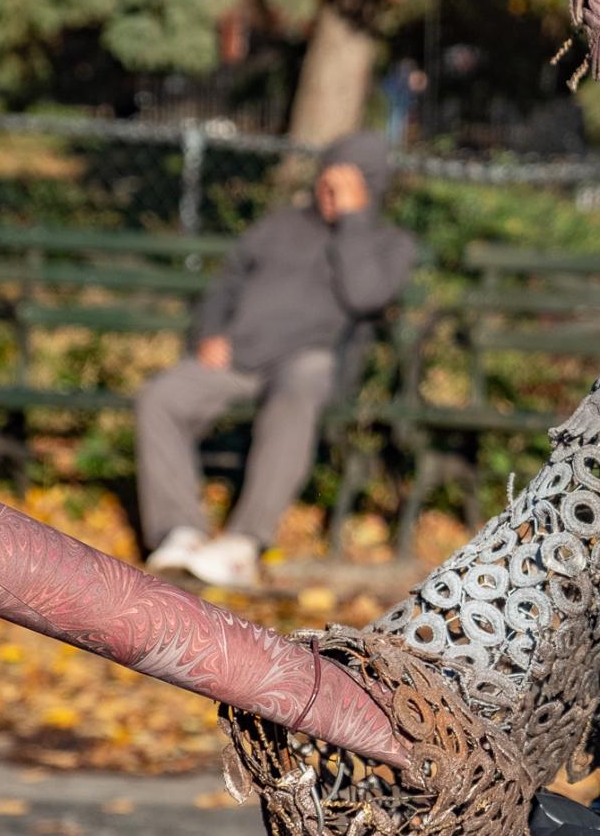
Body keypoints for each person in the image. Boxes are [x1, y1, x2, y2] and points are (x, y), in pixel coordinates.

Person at [136, 131, 415, 587]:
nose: (334, 192)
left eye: (351, 183)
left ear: (373, 188)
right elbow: (224, 286)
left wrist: (353, 221)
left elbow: (366, 294)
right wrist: (210, 335)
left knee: (304, 380)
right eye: (331, 182)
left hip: (308, 365)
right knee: (160, 396)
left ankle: (243, 544)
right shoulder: (279, 227)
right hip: (238, 362)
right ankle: (179, 532)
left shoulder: (387, 245)